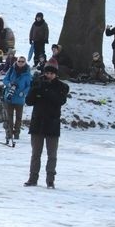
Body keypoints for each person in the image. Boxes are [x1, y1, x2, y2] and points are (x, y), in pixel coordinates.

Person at [23, 60, 69, 189]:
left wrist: (44, 90)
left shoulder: (62, 86)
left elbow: (59, 100)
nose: (48, 75)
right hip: (37, 123)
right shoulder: (38, 84)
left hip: (52, 123)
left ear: (55, 74)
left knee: (52, 155)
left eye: (51, 73)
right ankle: (32, 178)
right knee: (35, 154)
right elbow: (29, 101)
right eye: (47, 73)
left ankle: (50, 180)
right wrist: (35, 88)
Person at [1, 54, 32, 143]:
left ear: (25, 62)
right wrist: (9, 84)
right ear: (16, 61)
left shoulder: (27, 73)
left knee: (18, 117)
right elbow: (5, 80)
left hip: (20, 98)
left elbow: (29, 85)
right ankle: (9, 133)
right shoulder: (11, 70)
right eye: (19, 61)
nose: (20, 63)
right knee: (9, 117)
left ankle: (17, 133)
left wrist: (24, 92)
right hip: (9, 97)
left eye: (22, 61)